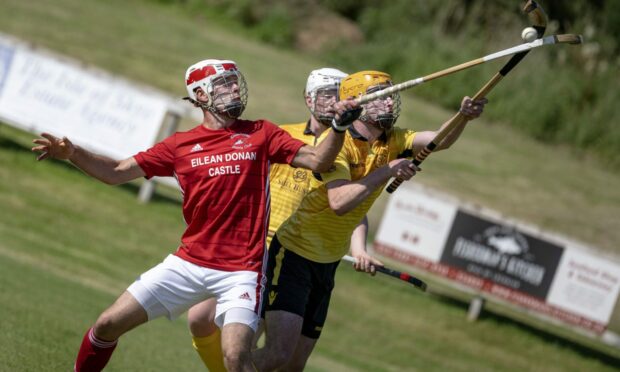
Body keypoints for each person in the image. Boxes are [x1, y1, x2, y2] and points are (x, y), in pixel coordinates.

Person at [31, 59, 361, 372]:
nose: (234, 91)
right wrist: (73, 153)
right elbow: (116, 171)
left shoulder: (261, 133)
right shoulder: (180, 145)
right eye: (224, 85)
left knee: (235, 357)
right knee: (106, 325)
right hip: (188, 263)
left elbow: (318, 160)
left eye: (235, 84)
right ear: (200, 94)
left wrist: (338, 127)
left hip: (242, 270)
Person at [252, 70, 488, 371]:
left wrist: (462, 117)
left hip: (328, 262)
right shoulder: (335, 143)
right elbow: (339, 202)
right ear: (356, 103)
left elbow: (439, 141)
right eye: (381, 99)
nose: (389, 105)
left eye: (391, 98)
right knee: (277, 355)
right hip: (294, 255)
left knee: (293, 366)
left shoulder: (395, 138)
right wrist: (387, 171)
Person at [186, 67, 380, 371]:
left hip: (300, 258)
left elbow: (354, 208)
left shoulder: (356, 150)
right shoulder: (281, 135)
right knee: (205, 321)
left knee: (284, 361)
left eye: (339, 96)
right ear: (308, 98)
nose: (333, 103)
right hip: (257, 251)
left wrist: (360, 249)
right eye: (326, 95)